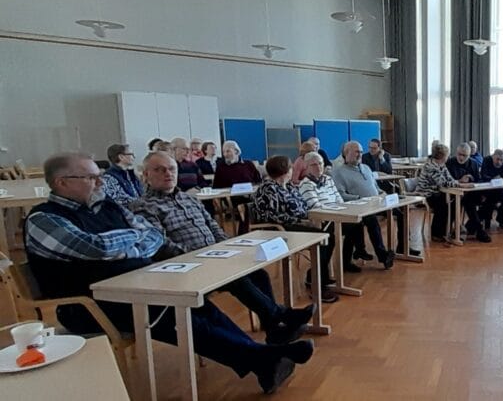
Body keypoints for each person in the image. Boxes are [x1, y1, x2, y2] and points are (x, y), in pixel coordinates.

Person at [24, 152, 312, 394]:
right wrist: (132, 240)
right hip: (90, 304)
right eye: (90, 177)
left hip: (141, 285)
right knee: (175, 316)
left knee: (200, 308)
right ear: (61, 182)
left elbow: (152, 236)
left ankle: (262, 358)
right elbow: (94, 247)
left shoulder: (107, 207)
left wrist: (123, 244)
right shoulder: (44, 218)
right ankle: (263, 358)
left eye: (98, 175)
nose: (100, 182)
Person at [131, 152, 334, 332]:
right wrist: (200, 257)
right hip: (186, 266)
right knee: (238, 279)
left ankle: (274, 328)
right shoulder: (143, 206)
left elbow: (213, 225)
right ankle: (280, 316)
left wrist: (226, 247)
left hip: (214, 255)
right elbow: (161, 245)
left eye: (172, 169)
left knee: (258, 274)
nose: (168, 173)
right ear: (146, 175)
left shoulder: (189, 199)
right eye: (159, 170)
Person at [249, 156, 339, 301]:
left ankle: (315, 277)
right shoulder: (268, 188)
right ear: (285, 171)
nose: (293, 170)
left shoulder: (289, 186)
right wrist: (299, 220)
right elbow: (272, 216)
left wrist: (304, 220)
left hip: (294, 225)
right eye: (290, 168)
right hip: (278, 229)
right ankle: (318, 286)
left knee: (328, 236)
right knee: (321, 239)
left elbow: (303, 206)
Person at [332, 141, 407, 268]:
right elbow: (340, 194)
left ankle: (402, 247)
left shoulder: (366, 168)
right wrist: (360, 199)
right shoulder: (339, 172)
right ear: (346, 153)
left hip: (376, 203)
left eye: (361, 152)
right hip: (357, 207)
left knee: (400, 214)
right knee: (371, 221)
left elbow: (376, 187)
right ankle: (382, 256)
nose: (360, 154)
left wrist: (382, 193)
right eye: (357, 152)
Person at [299, 152, 365, 273]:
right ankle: (317, 273)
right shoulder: (306, 184)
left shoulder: (328, 179)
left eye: (320, 163)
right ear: (307, 167)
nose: (318, 167)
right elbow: (315, 206)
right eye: (314, 165)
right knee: (331, 237)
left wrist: (339, 211)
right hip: (321, 221)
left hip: (336, 216)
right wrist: (334, 211)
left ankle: (350, 259)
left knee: (357, 224)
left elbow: (339, 200)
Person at [416, 143, 462, 241]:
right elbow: (442, 183)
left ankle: (447, 230)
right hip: (426, 195)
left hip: (436, 192)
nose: (448, 157)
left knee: (454, 202)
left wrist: (456, 183)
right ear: (443, 156)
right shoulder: (430, 166)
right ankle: (436, 233)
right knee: (443, 203)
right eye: (447, 155)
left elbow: (450, 179)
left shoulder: (442, 165)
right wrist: (459, 184)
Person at [446, 142, 492, 242]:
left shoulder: (473, 163)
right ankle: (479, 230)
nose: (461, 157)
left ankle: (471, 226)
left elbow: (478, 180)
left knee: (490, 200)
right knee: (468, 201)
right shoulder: (450, 162)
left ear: (469, 155)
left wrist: (471, 177)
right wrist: (460, 181)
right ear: (456, 152)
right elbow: (447, 181)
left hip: (471, 193)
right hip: (453, 194)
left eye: (464, 155)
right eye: (459, 154)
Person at [479, 149, 503, 229]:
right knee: (491, 198)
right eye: (497, 159)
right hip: (487, 188)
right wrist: (493, 178)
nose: (499, 162)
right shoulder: (487, 160)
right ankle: (487, 219)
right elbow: (483, 175)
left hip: (500, 189)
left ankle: (500, 216)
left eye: (501, 160)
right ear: (493, 156)